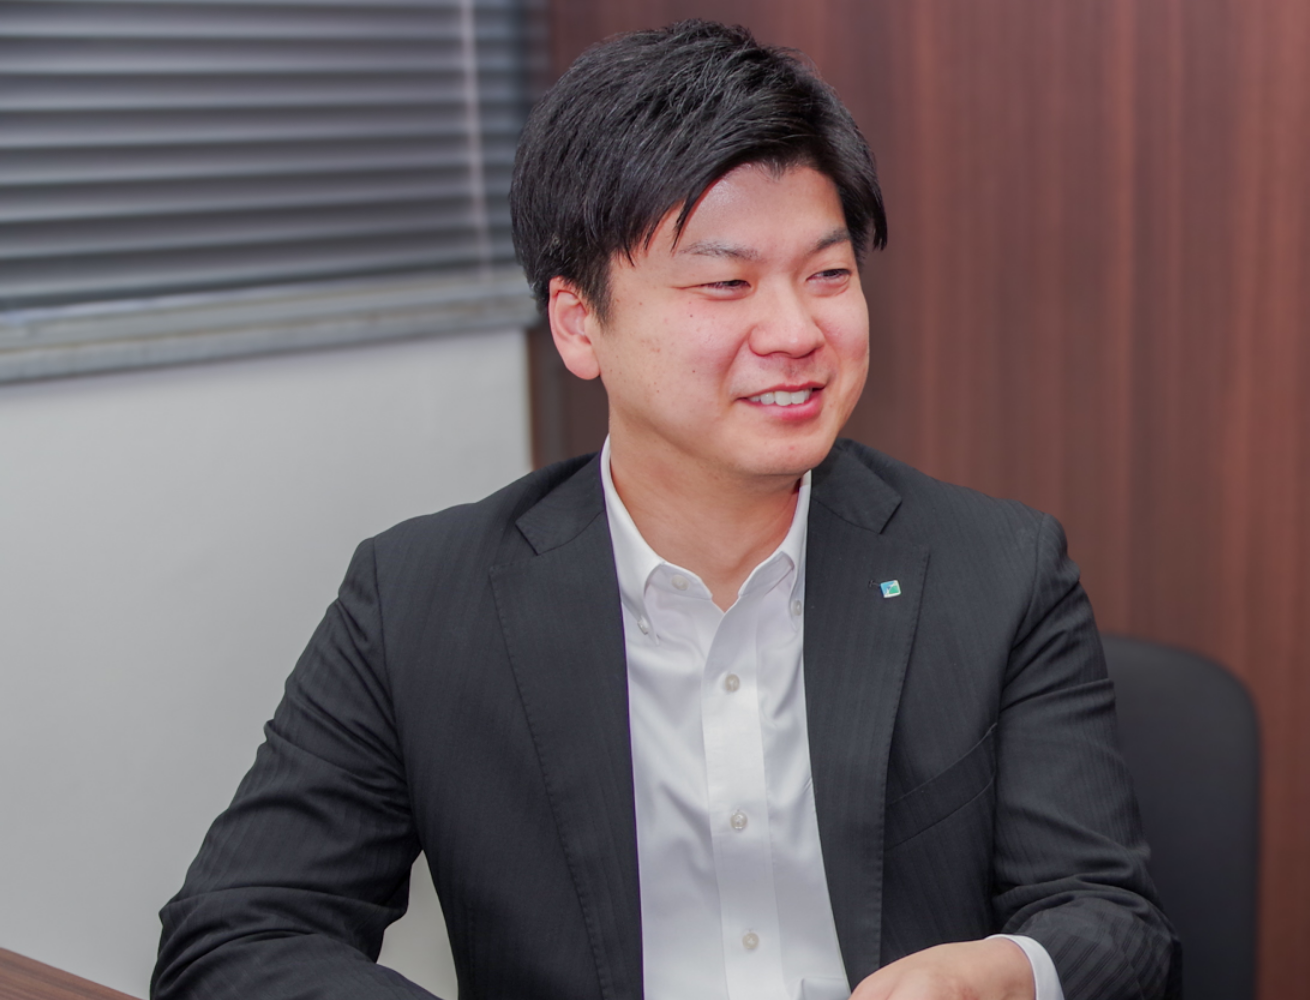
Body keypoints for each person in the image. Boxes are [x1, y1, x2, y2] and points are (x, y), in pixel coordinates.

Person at [154, 21, 1173, 1000]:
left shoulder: (998, 569)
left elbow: (1113, 924)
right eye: (726, 282)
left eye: (827, 274)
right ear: (578, 323)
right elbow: (236, 936)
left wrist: (997, 975)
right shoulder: (421, 600)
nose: (796, 330)